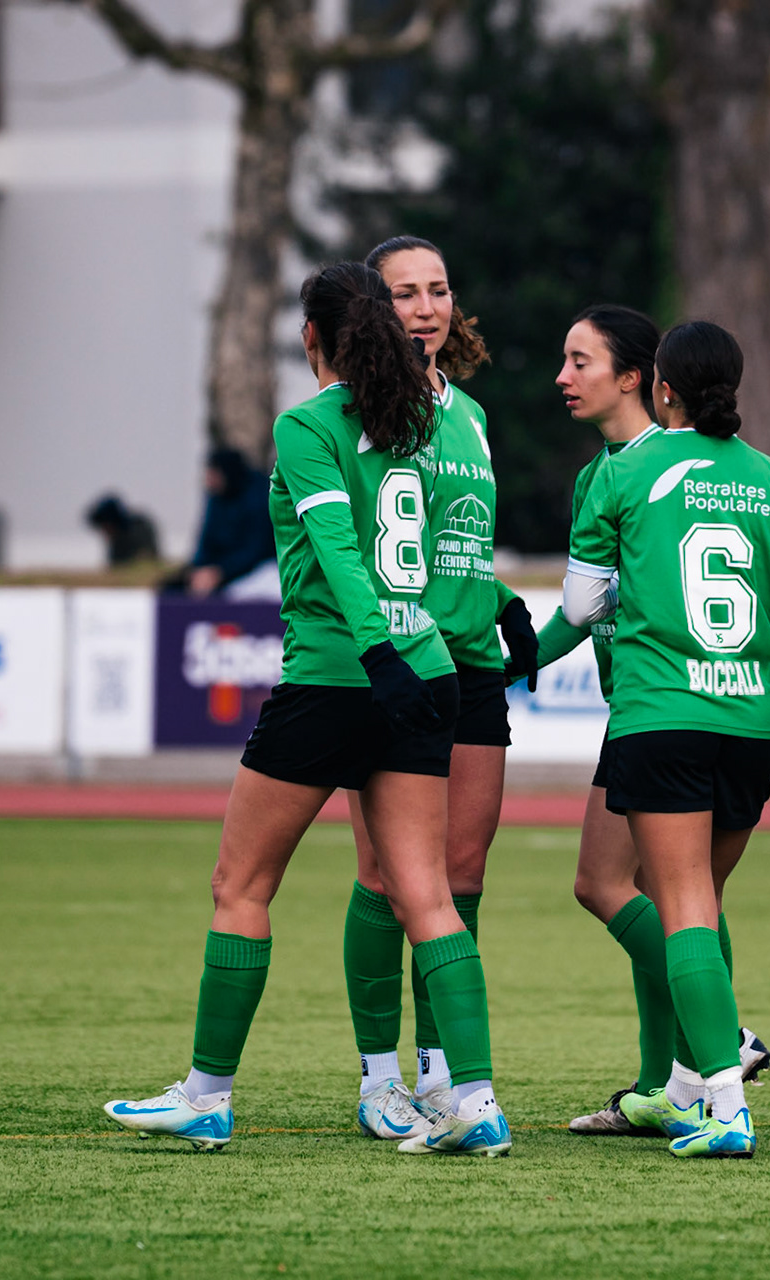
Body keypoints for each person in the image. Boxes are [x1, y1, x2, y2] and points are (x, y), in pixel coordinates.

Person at [104, 260, 512, 1157]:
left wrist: (372, 652)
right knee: (428, 897)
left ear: (311, 340)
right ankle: (475, 1101)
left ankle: (207, 1095)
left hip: (335, 678)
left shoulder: (308, 424)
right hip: (427, 672)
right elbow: (458, 554)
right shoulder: (429, 420)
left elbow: (334, 548)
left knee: (240, 887)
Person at [562, 320, 770, 1158]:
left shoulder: (626, 470)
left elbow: (578, 608)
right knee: (697, 908)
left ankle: (724, 1100)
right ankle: (683, 1088)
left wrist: (639, 607)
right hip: (751, 721)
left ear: (662, 389)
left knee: (680, 914)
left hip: (663, 713)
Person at [536, 305, 770, 1137]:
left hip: (664, 707)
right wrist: (522, 659)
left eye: (579, 361)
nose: (562, 377)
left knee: (652, 895)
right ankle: (665, 1085)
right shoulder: (603, 471)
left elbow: (589, 597)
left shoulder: (646, 471)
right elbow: (584, 611)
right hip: (671, 707)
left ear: (638, 378)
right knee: (636, 889)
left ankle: (719, 1050)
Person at [340, 234, 542, 1142]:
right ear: (374, 312)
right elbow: (369, 542)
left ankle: (439, 1074)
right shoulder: (356, 414)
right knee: (384, 875)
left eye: (439, 290)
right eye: (406, 294)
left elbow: (453, 536)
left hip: (473, 667)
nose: (427, 307)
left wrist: (500, 599)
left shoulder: (473, 416)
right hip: (398, 664)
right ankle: (377, 1076)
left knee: (461, 876)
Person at [186, 447, 275, 597]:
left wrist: (220, 572)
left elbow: (255, 550)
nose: (208, 480)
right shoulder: (216, 498)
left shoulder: (259, 499)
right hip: (222, 570)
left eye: (213, 474)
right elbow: (206, 540)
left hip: (259, 571)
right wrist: (198, 569)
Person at [85, 493, 159, 567]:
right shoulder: (118, 539)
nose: (103, 532)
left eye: (105, 527)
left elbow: (145, 562)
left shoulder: (137, 534)